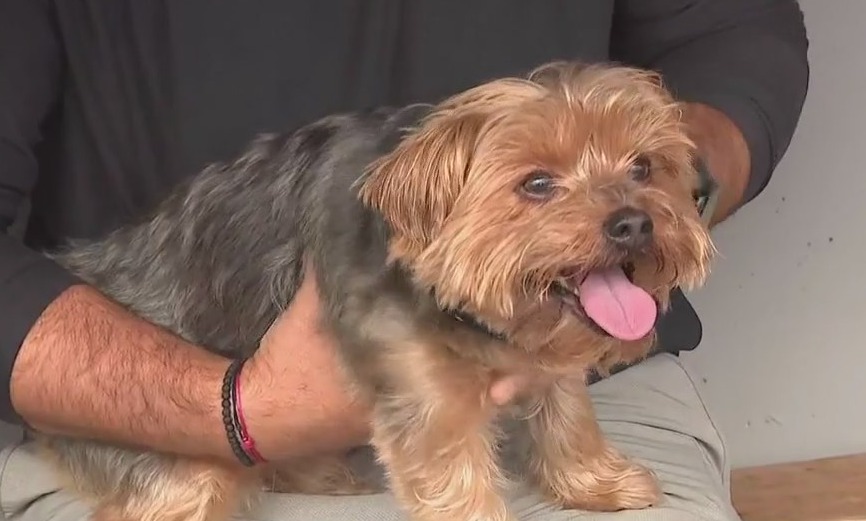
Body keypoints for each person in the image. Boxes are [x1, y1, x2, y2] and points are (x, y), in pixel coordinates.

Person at [0, 1, 809, 520]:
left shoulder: (596, 251)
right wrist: (237, 411)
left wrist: (672, 198)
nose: (621, 208)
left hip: (601, 373)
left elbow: (730, 32)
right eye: (538, 183)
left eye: (637, 169)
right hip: (126, 401)